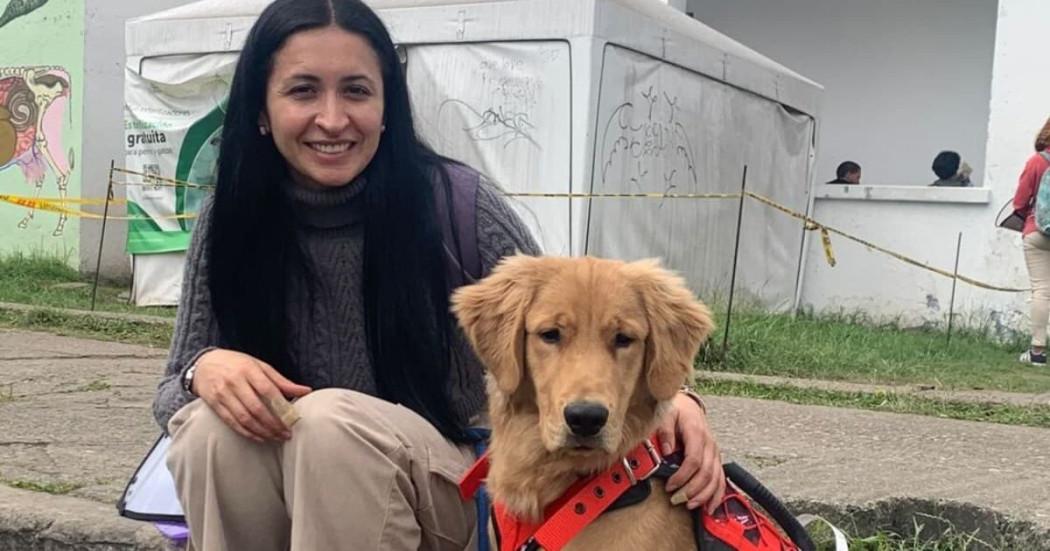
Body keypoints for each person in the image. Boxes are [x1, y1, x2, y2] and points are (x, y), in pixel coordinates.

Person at [153, 0, 726, 549]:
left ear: (388, 106)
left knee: (329, 425)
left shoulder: (457, 204)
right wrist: (203, 369)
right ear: (260, 108)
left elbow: (573, 314)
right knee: (210, 431)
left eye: (356, 90)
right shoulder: (229, 220)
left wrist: (678, 400)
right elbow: (171, 396)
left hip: (449, 492)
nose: (332, 118)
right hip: (297, 484)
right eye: (303, 90)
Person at [1012, 116, 1050, 365]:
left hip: (1037, 232)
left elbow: (1019, 203)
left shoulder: (1037, 162)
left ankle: (1037, 352)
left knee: (1042, 290)